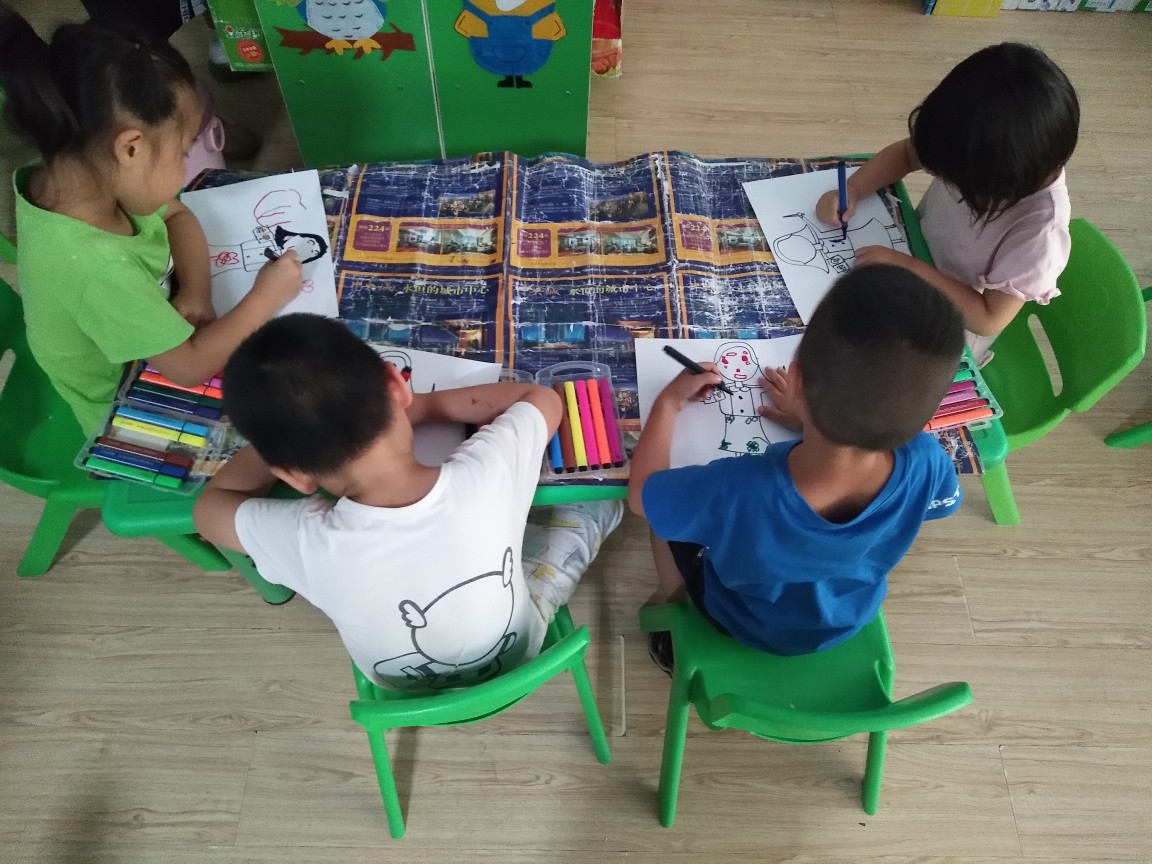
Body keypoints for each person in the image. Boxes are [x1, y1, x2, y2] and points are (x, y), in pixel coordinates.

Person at [193, 314, 622, 691]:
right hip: (516, 656)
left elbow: (208, 510)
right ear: (397, 385)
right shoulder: (486, 472)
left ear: (291, 473)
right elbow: (543, 399)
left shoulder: (303, 541)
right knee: (597, 503)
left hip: (400, 686)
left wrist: (288, 447)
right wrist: (428, 406)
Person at [628, 265, 964, 672]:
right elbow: (938, 506)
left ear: (797, 379)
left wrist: (667, 404)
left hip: (744, 618)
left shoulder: (738, 488)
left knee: (663, 520)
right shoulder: (928, 459)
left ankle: (678, 618)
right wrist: (812, 419)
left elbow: (641, 497)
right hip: (847, 614)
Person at [0, 6, 301, 434]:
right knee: (291, 418)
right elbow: (189, 367)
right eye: (182, 152)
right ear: (131, 148)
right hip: (125, 404)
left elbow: (177, 213)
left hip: (150, 330)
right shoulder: (96, 267)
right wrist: (266, 297)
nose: (183, 168)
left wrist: (196, 294)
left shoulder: (74, 173)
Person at [815, 43, 1079, 364]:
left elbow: (988, 318)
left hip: (947, 328)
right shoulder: (970, 140)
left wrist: (907, 267)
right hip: (910, 252)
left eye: (961, 182)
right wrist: (854, 188)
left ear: (1000, 180)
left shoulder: (1040, 235)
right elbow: (907, 154)